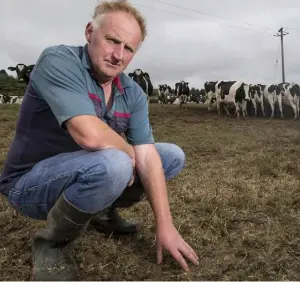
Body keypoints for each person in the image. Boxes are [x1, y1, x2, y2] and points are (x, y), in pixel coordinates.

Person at [0, 0, 198, 280]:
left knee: (170, 156)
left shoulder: (133, 93)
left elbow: (149, 156)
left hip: (87, 170)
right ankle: (52, 243)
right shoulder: (58, 61)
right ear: (89, 32)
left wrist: (164, 225)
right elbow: (89, 134)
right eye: (112, 40)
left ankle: (103, 212)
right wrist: (132, 156)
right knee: (117, 162)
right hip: (30, 183)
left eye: (128, 48)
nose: (118, 55)